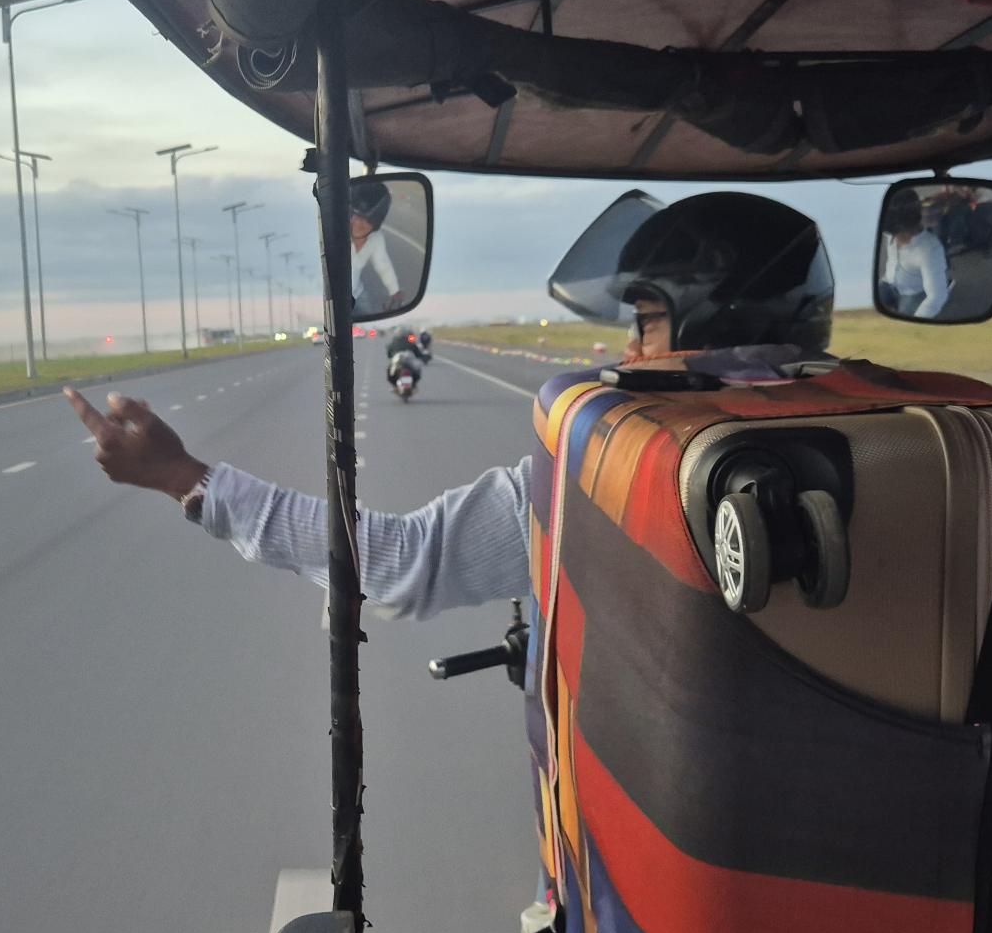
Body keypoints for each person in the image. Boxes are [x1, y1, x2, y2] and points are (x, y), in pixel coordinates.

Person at [63, 193, 836, 620]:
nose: (629, 352)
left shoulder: (614, 463)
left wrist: (182, 477)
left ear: (711, 320)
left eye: (646, 323)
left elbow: (400, 560)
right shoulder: (893, 433)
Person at [877, 192, 952, 318]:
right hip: (888, 282)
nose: (893, 238)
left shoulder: (930, 250)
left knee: (903, 321)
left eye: (896, 234)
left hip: (913, 292)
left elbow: (937, 295)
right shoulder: (891, 230)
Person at [350, 177, 403, 317]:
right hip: (330, 299)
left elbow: (382, 264)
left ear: (376, 223)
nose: (359, 224)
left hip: (356, 294)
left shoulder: (376, 238)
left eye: (367, 220)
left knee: (370, 318)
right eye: (356, 216)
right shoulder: (335, 234)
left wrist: (395, 291)